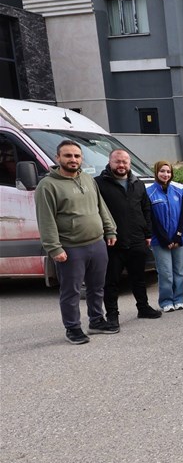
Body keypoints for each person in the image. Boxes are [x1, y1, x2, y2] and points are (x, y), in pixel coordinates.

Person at [34, 140, 117, 344]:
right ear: (58, 158)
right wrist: (54, 248)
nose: (73, 159)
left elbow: (101, 207)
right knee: (71, 291)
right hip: (70, 248)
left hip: (97, 243)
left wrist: (110, 230)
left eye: (77, 156)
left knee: (97, 287)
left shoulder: (87, 179)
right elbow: (46, 219)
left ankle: (96, 321)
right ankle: (72, 328)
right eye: (68, 155)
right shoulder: (47, 186)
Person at [95, 149, 161, 327]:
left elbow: (146, 209)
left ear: (129, 163)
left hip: (137, 239)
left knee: (138, 278)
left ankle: (143, 308)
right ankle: (112, 315)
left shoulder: (137, 184)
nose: (121, 165)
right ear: (110, 162)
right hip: (112, 241)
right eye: (117, 161)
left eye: (125, 162)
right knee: (111, 281)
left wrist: (148, 233)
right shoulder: (98, 184)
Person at [147, 161, 183, 313]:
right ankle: (166, 300)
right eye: (162, 171)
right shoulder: (149, 193)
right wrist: (164, 238)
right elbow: (151, 218)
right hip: (160, 241)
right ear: (156, 172)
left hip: (178, 239)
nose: (166, 174)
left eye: (168, 172)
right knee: (166, 273)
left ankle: (179, 299)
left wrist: (178, 235)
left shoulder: (178, 192)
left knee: (179, 271)